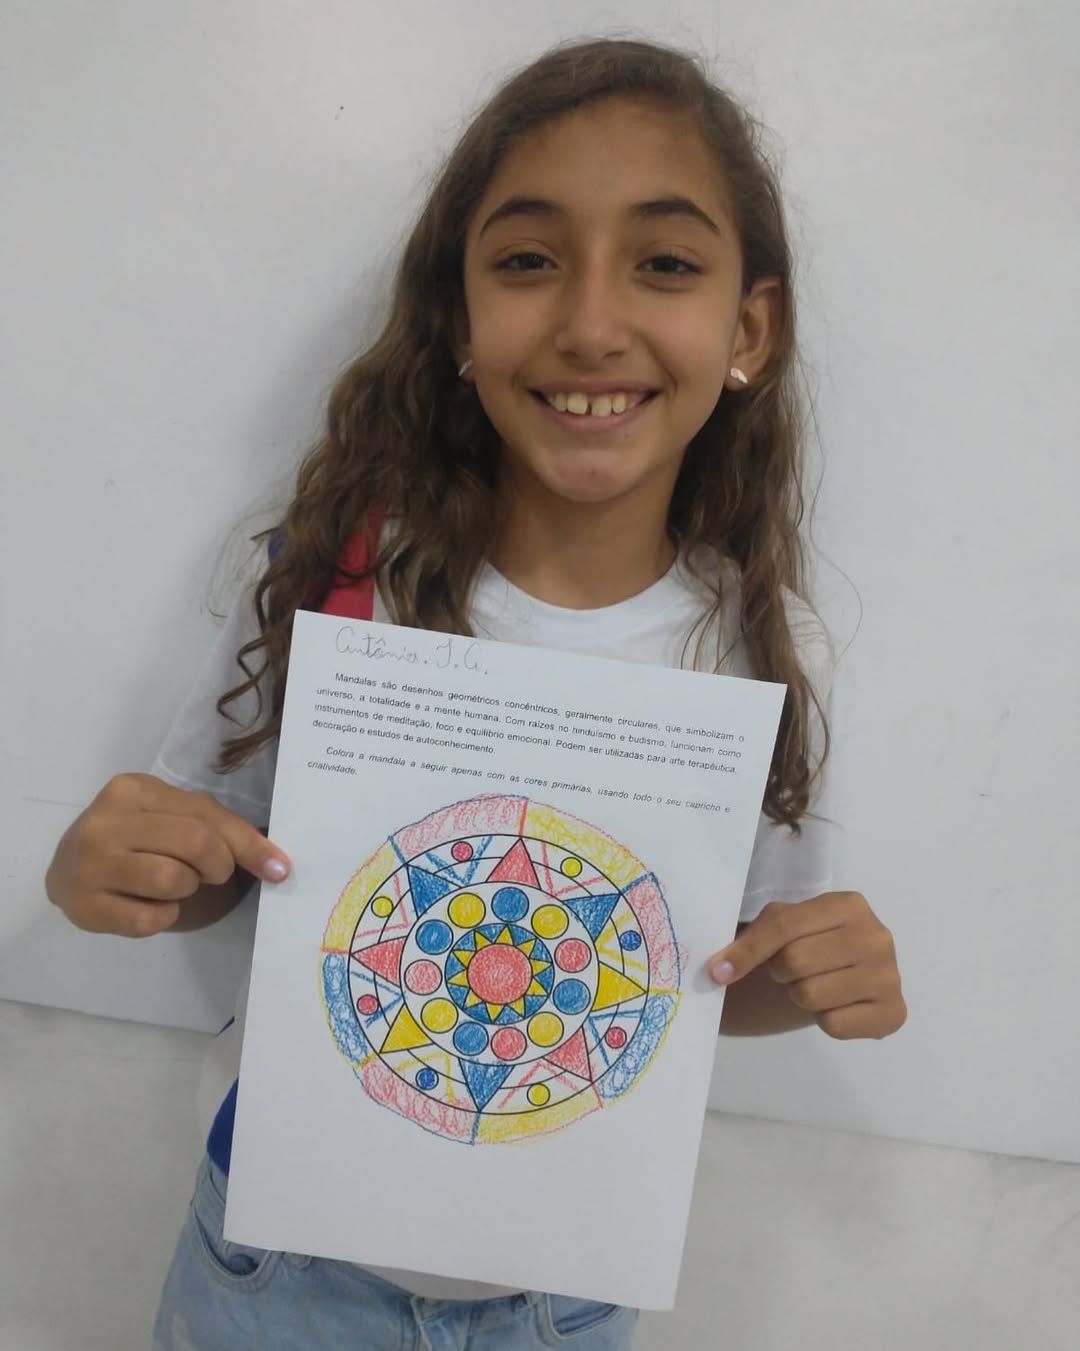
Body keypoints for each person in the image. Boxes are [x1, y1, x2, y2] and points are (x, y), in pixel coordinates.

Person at [44, 35, 906, 1351]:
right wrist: (123, 869)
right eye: (527, 260)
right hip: (279, 1271)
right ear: (455, 317)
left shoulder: (763, 648)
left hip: (563, 1295)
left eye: (665, 263)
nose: (592, 325)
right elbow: (220, 864)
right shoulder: (336, 577)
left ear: (749, 330)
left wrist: (820, 980)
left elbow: (708, 974)